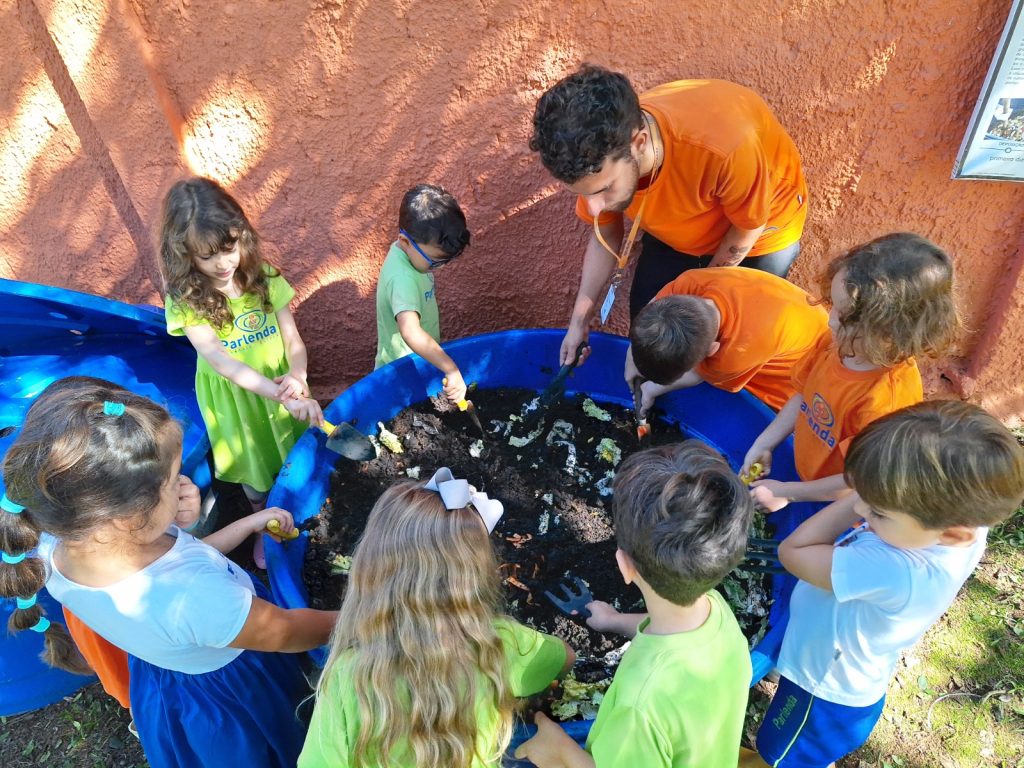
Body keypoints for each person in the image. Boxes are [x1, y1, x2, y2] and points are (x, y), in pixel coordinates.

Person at [0, 377, 337, 768]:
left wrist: (244, 525)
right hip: (236, 688)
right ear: (128, 517)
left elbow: (180, 561)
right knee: (276, 745)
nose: (182, 484)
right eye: (170, 480)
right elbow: (289, 632)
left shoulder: (56, 546)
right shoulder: (194, 597)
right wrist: (369, 615)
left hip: (170, 676)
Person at [741, 400, 1024, 768]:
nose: (860, 511)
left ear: (954, 533)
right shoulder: (956, 521)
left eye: (877, 510)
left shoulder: (897, 569)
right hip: (828, 665)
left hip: (821, 695)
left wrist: (859, 497)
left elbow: (793, 552)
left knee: (776, 756)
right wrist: (878, 496)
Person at [530, 65, 808, 365]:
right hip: (679, 227)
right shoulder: (597, 162)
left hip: (758, 235)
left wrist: (695, 299)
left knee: (717, 348)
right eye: (582, 193)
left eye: (605, 189)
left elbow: (746, 228)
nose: (594, 207)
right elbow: (604, 237)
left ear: (638, 144)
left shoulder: (725, 147)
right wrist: (579, 322)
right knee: (651, 336)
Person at [299, 468, 574, 768]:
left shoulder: (349, 676)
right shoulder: (501, 643)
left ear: (371, 571)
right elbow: (565, 659)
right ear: (475, 576)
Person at [515, 441, 754, 768]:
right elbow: (671, 627)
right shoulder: (716, 611)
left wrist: (560, 753)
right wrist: (614, 620)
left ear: (624, 566)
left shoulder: (639, 705)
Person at [160, 176, 323, 566]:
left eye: (229, 248)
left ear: (242, 235)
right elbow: (221, 360)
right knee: (255, 466)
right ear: (184, 255)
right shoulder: (186, 301)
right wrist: (279, 393)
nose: (222, 263)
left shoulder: (264, 276)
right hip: (236, 399)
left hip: (282, 382)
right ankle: (262, 524)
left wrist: (297, 376)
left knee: (293, 447)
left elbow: (293, 339)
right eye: (206, 256)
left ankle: (300, 504)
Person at [740, 233, 959, 510]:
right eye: (833, 307)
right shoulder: (834, 344)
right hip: (806, 478)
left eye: (844, 318)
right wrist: (765, 442)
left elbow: (857, 481)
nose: (830, 321)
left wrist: (789, 493)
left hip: (841, 504)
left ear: (891, 329)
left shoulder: (885, 400)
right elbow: (803, 396)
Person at [625, 267, 829, 413]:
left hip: (792, 378)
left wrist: (650, 390)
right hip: (783, 318)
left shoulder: (735, 354)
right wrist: (631, 362)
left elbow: (698, 376)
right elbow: (649, 313)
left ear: (713, 350)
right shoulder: (688, 283)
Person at [375, 184, 473, 404]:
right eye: (436, 262)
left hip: (420, 360)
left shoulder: (411, 254)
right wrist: (451, 369)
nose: (441, 267)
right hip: (401, 370)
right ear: (405, 242)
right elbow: (410, 331)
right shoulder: (402, 279)